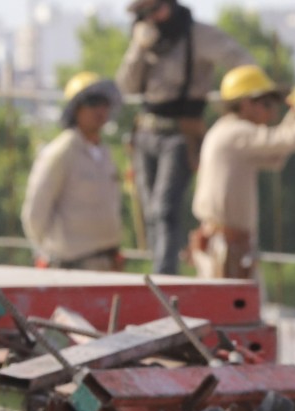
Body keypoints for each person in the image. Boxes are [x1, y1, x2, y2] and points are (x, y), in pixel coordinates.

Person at [116, 0, 252, 275]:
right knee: (149, 211)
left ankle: (164, 277)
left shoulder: (199, 34)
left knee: (164, 209)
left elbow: (242, 61)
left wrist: (240, 101)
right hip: (145, 132)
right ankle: (158, 270)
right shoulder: (146, 39)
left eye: (159, 9)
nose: (155, 18)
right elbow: (126, 86)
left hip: (181, 134)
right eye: (147, 14)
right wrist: (138, 48)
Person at [190, 66, 295, 281]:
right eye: (267, 103)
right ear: (246, 103)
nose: (272, 112)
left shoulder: (227, 131)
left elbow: (276, 152)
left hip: (224, 244)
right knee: (235, 312)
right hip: (226, 247)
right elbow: (288, 140)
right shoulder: (237, 133)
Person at [21, 72, 125, 271]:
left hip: (106, 264)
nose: (101, 109)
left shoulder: (104, 153)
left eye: (104, 102)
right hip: (70, 267)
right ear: (75, 108)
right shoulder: (60, 152)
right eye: (92, 102)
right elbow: (35, 213)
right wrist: (46, 251)